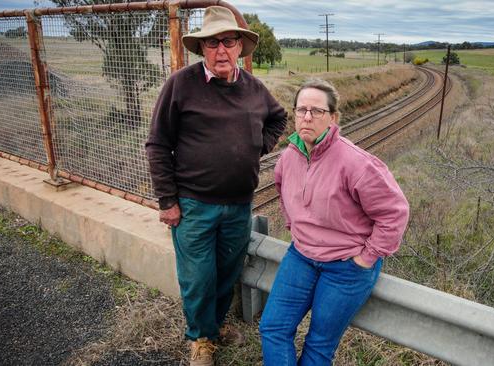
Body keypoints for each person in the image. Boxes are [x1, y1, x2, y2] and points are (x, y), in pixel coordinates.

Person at [145, 6, 287, 366]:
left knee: (226, 274)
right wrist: (167, 201)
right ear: (202, 49)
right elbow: (158, 144)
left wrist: (258, 144)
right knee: (198, 278)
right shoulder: (181, 84)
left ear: (239, 46)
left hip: (239, 206)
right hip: (193, 205)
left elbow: (278, 118)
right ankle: (201, 339)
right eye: (212, 43)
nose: (221, 49)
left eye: (228, 41)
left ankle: (215, 326)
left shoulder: (255, 89)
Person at [259, 79, 409, 366]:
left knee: (318, 346)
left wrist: (367, 258)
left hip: (345, 267)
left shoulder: (356, 163)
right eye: (301, 109)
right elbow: (282, 191)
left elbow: (395, 213)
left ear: (333, 117)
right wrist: (295, 227)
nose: (306, 117)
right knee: (273, 328)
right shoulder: (288, 157)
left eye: (316, 111)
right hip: (301, 256)